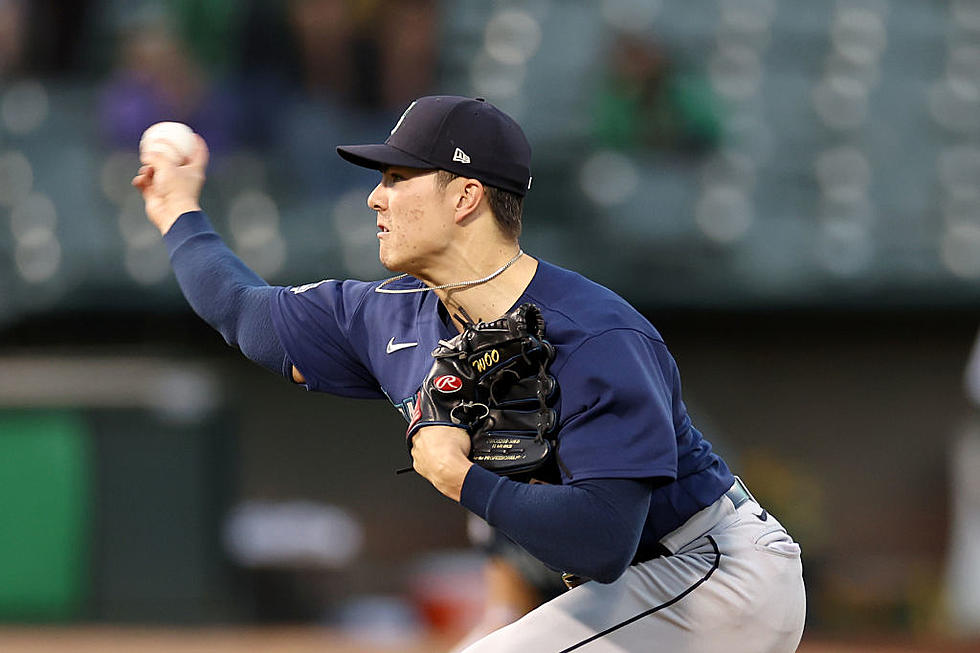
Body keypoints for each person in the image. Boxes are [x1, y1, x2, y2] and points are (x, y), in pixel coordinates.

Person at [133, 95, 806, 652]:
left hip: (713, 573)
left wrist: (459, 476)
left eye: (397, 178)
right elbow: (244, 312)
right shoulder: (385, 316)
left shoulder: (596, 335)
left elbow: (602, 539)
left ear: (466, 196)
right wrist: (176, 211)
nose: (375, 198)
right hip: (632, 586)